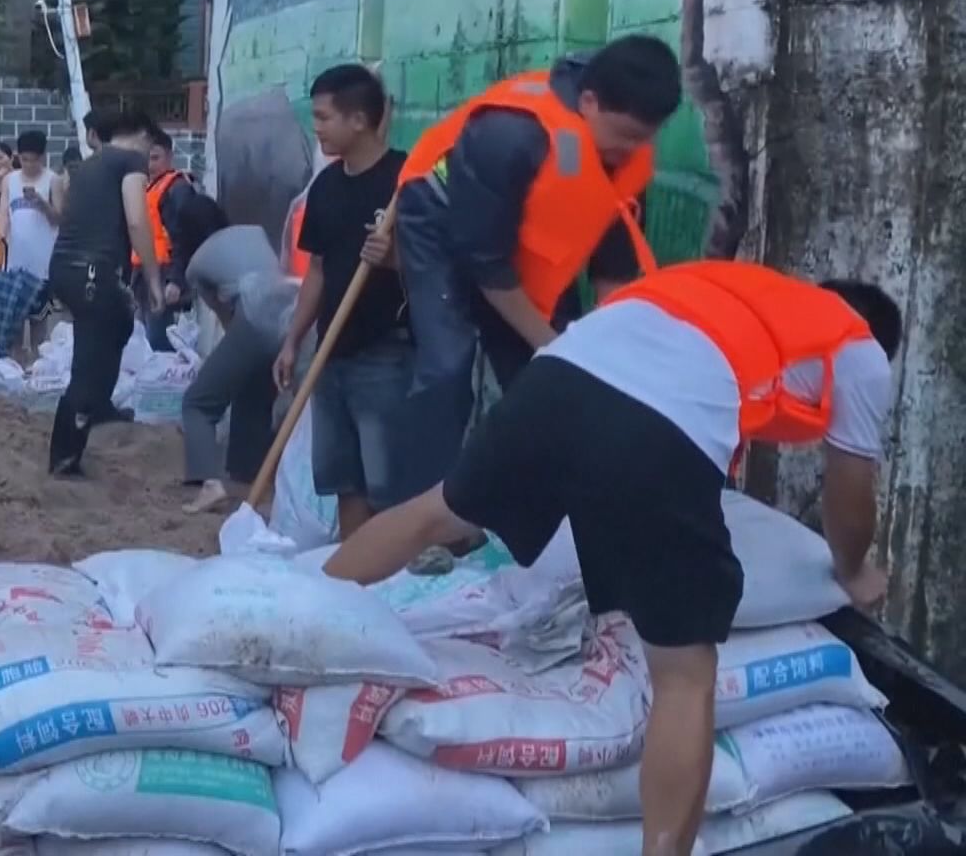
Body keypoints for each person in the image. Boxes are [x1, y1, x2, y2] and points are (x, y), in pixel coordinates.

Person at [324, 261, 900, 856]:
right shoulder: (859, 349)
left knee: (434, 515)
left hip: (556, 381)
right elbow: (849, 493)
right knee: (684, 676)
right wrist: (853, 571)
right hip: (654, 427)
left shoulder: (729, 290)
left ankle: (297, 607)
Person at [389, 35, 680, 502]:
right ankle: (418, 514)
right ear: (589, 101)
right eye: (624, 135)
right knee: (448, 365)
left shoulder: (626, 153)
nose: (632, 149)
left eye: (643, 138)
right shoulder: (510, 134)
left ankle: (550, 508)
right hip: (444, 225)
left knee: (554, 378)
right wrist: (554, 344)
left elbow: (615, 262)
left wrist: (607, 348)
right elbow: (484, 262)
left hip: (525, 242)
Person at [267, 65, 413, 537]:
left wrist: (394, 260)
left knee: (386, 483)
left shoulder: (405, 182)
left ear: (360, 120)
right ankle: (354, 576)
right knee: (344, 479)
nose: (318, 127)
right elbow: (319, 271)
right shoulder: (326, 187)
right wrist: (293, 341)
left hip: (386, 351)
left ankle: (389, 578)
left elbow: (441, 269)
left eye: (325, 117)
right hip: (331, 352)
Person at [47, 112, 162, 476]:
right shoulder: (130, 160)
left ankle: (99, 407)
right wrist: (154, 278)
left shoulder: (86, 165)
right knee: (90, 365)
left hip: (67, 269)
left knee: (116, 329)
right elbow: (136, 219)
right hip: (94, 273)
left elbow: (65, 204)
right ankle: (65, 455)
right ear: (142, 136)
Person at [177, 212, 305, 515]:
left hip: (253, 317)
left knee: (198, 402)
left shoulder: (197, 264)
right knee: (253, 397)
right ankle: (249, 478)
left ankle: (210, 485)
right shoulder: (254, 231)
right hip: (289, 314)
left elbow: (226, 321)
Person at [0, 129, 61, 357]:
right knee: (15, 315)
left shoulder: (52, 180)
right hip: (15, 260)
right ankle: (17, 362)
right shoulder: (10, 180)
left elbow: (60, 218)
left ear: (43, 157)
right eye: (25, 159)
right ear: (18, 157)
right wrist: (1, 235)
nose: (29, 164)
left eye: (34, 159)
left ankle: (40, 361)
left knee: (40, 317)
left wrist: (41, 202)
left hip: (43, 261)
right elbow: (4, 213)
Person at [134, 125, 198, 351]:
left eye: (155, 158)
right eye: (146, 158)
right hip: (146, 274)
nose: (150, 165)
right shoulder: (148, 187)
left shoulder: (176, 189)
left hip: (164, 275)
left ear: (170, 156)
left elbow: (183, 238)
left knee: (160, 342)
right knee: (147, 343)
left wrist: (176, 281)